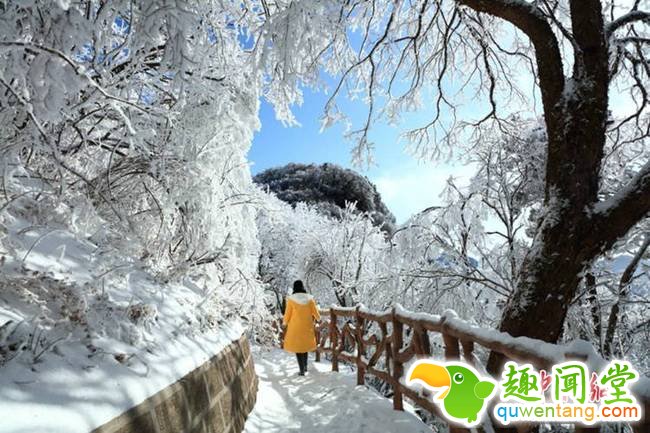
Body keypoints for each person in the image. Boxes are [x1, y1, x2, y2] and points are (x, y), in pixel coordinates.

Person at [282, 280, 321, 375]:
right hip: (307, 326)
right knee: (304, 347)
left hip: (295, 327)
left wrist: (284, 323)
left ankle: (302, 370)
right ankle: (305, 367)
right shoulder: (310, 299)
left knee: (298, 348)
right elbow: (316, 313)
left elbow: (287, 314)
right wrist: (318, 319)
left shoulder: (291, 300)